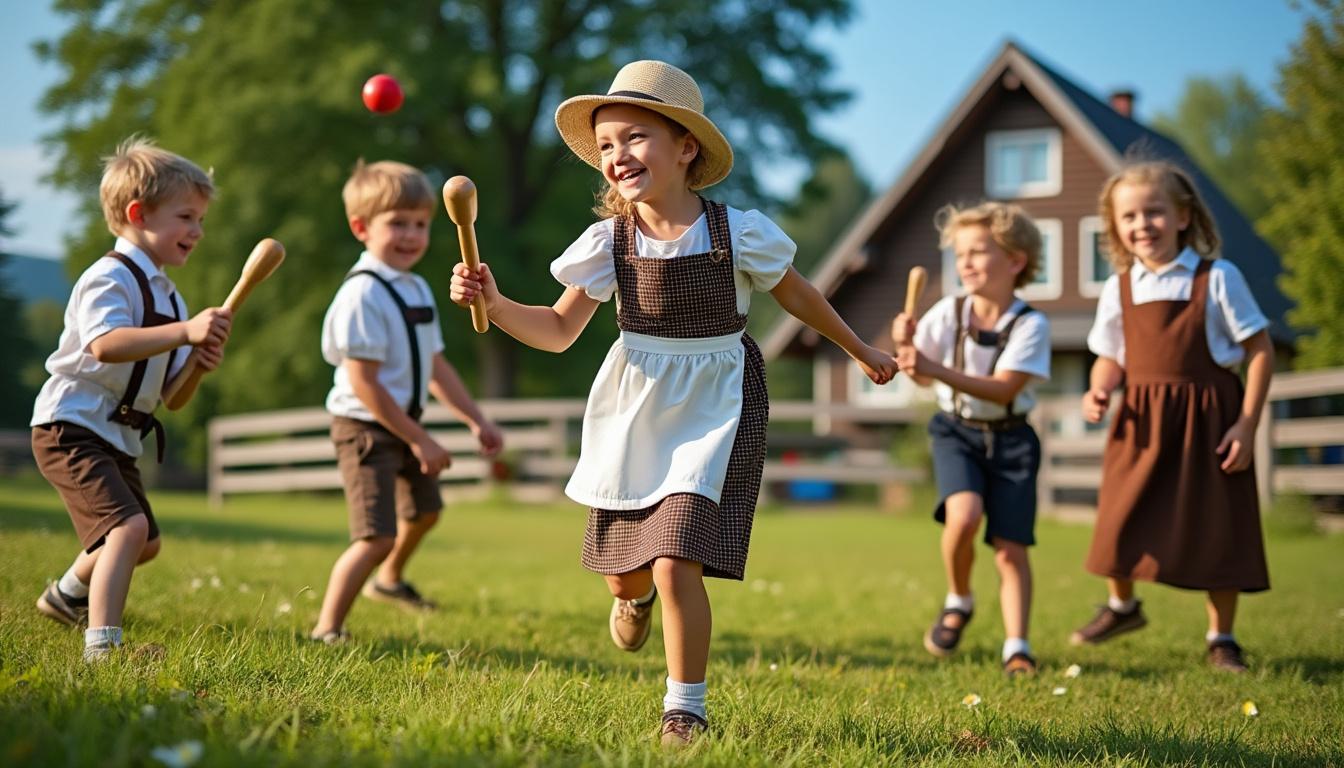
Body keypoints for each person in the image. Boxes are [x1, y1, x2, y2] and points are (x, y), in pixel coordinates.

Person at [449, 60, 896, 746]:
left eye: (634, 137)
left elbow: (799, 295)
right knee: (629, 572)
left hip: (717, 404)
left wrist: (859, 348)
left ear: (686, 146)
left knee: (676, 555)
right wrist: (495, 303)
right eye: (605, 146)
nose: (617, 156)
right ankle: (632, 598)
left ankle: (684, 709)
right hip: (636, 411)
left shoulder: (738, 231)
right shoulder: (609, 243)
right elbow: (558, 329)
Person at [31, 137, 230, 661]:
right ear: (138, 214)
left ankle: (65, 597)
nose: (197, 231)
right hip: (71, 425)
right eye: (186, 217)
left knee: (145, 542)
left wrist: (197, 363)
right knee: (126, 527)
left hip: (117, 434)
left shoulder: (169, 295)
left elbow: (172, 396)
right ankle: (103, 647)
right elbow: (106, 344)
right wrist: (186, 333)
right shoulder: (109, 277)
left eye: (201, 219)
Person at [1070, 160, 1273, 673]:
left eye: (1154, 212)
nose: (1142, 225)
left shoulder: (1218, 277)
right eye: (1129, 216)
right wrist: (1099, 390)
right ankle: (1122, 607)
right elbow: (1110, 356)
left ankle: (1221, 638)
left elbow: (1261, 350)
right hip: (1139, 422)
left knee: (1219, 527)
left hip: (1211, 422)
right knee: (1117, 520)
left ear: (1183, 216)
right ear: (1115, 227)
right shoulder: (1117, 288)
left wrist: (1247, 425)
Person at [310, 160, 503, 644]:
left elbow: (436, 366)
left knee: (424, 513)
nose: (412, 235)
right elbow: (366, 385)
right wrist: (419, 439)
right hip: (365, 426)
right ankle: (327, 628)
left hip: (403, 424)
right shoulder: (361, 295)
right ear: (361, 228)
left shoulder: (416, 287)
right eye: (397, 223)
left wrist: (475, 419)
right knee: (376, 535)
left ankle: (388, 581)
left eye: (420, 224)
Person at [892, 202, 1051, 676]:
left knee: (1010, 547)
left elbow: (1005, 387)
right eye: (961, 253)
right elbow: (921, 378)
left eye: (979, 251)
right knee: (962, 517)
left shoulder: (1031, 325)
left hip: (1012, 440)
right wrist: (909, 351)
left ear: (1016, 261)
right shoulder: (949, 312)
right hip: (956, 431)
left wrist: (933, 367)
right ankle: (959, 599)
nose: (966, 263)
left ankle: (1017, 647)